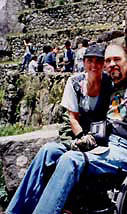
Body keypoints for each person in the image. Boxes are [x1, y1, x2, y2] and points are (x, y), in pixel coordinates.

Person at [6, 44, 127, 214]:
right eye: (108, 61)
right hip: (106, 145)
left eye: (117, 59)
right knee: (49, 150)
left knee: (71, 159)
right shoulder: (110, 85)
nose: (112, 64)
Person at [6, 44, 112, 214]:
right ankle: (17, 209)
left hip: (100, 141)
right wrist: (81, 138)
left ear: (104, 64)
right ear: (84, 63)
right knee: (48, 150)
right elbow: (72, 117)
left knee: (68, 158)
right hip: (77, 137)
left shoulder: (110, 84)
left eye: (99, 61)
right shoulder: (75, 82)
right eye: (90, 60)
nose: (94, 65)